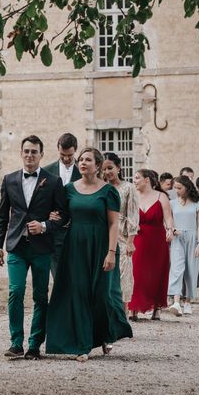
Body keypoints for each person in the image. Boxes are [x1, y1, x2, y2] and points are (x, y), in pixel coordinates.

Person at [46, 148, 132, 362]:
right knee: (79, 294)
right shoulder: (69, 190)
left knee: (102, 296)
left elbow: (113, 224)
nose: (83, 163)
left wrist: (111, 252)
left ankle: (103, 334)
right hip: (75, 246)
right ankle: (82, 345)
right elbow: (64, 217)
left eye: (88, 160)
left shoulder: (108, 191)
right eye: (81, 160)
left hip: (102, 246)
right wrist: (54, 217)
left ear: (98, 165)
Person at [0, 135, 68, 360]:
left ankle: (35, 345)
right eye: (26, 151)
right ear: (21, 153)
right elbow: (1, 217)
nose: (30, 155)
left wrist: (45, 225)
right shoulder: (9, 180)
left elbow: (64, 215)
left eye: (34, 152)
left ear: (41, 155)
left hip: (42, 248)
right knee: (15, 292)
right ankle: (16, 343)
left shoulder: (53, 182)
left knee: (40, 296)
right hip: (16, 246)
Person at [129, 169, 174, 321]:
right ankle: (133, 307)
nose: (134, 181)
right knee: (136, 272)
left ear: (147, 180)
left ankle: (157, 307)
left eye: (137, 178)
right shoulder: (133, 196)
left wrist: (170, 230)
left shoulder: (162, 197)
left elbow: (168, 217)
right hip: (138, 239)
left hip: (157, 239)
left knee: (156, 272)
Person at [102, 152, 139, 317]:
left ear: (118, 167)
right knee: (105, 276)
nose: (107, 172)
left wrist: (131, 241)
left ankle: (122, 316)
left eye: (110, 168)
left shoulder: (128, 187)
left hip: (123, 237)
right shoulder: (101, 187)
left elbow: (133, 215)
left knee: (123, 276)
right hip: (103, 235)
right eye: (103, 169)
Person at [42, 133, 81, 278]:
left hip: (78, 232)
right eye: (62, 154)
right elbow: (40, 200)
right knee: (58, 277)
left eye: (69, 155)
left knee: (76, 276)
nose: (65, 158)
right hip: (54, 233)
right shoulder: (46, 171)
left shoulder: (84, 172)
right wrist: (48, 213)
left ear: (75, 150)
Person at [167, 176, 199, 316]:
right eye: (175, 188)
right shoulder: (172, 203)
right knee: (176, 268)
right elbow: (168, 221)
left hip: (193, 238)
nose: (176, 190)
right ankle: (176, 301)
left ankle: (188, 301)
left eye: (179, 188)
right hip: (177, 238)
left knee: (191, 269)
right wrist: (171, 230)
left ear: (187, 188)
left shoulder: (197, 203)